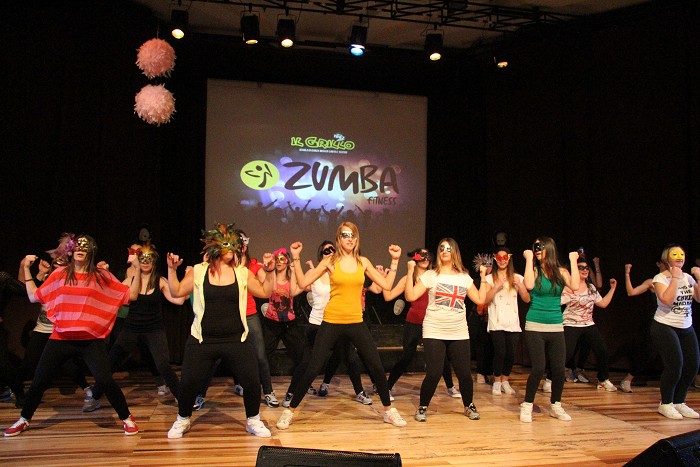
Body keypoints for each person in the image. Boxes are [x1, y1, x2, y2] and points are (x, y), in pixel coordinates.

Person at [4, 235, 142, 437]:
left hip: (90, 340)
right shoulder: (60, 274)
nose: (80, 249)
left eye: (85, 247)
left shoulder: (100, 275)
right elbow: (34, 296)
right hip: (61, 338)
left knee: (104, 380)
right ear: (71, 250)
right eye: (77, 246)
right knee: (39, 380)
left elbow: (131, 295)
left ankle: (127, 417)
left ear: (91, 251)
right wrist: (26, 268)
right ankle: (24, 419)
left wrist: (137, 269)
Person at [276, 222, 407, 429]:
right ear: (339, 238)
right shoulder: (330, 261)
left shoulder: (363, 262)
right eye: (345, 235)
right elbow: (302, 283)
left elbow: (387, 285)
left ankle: (389, 411)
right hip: (332, 320)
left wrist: (395, 260)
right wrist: (296, 258)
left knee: (376, 365)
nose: (349, 239)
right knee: (313, 368)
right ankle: (289, 411)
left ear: (356, 239)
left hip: (355, 321)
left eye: (353, 235)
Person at [165, 223, 275, 439]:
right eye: (227, 244)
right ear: (215, 246)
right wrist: (171, 269)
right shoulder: (199, 271)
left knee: (252, 380)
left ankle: (253, 420)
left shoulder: (242, 272)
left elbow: (264, 292)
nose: (233, 248)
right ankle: (182, 419)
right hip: (202, 339)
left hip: (236, 339)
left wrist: (270, 272)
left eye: (235, 244)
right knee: (188, 382)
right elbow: (176, 291)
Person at [90, 243, 185, 409]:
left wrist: (179, 275)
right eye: (142, 259)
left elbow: (178, 300)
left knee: (163, 364)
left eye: (149, 259)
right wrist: (104, 275)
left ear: (154, 261)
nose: (145, 262)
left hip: (154, 329)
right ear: (137, 261)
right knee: (111, 362)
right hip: (131, 329)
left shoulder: (160, 281)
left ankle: (181, 397)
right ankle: (94, 396)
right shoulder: (129, 281)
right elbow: (111, 296)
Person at [404, 238, 487, 422]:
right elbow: (410, 296)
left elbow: (480, 299)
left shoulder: (464, 277)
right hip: (434, 329)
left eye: (448, 248)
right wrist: (410, 272)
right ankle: (423, 406)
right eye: (441, 248)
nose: (444, 251)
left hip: (458, 330)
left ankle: (469, 405)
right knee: (434, 373)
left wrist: (483, 278)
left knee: (464, 373)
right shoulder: (431, 275)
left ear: (454, 252)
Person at [282, 241, 372, 407]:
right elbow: (295, 290)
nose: (330, 252)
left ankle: (359, 391)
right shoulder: (315, 273)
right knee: (307, 362)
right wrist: (294, 268)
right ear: (321, 255)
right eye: (326, 251)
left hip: (339, 322)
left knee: (350, 357)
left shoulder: (343, 273)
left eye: (333, 249)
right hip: (318, 324)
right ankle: (291, 393)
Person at [17, 235, 92, 409]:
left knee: (68, 364)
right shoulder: (47, 278)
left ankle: (88, 388)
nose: (58, 266)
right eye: (55, 263)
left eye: (62, 263)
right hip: (42, 328)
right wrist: (26, 267)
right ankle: (18, 390)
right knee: (30, 362)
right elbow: (25, 290)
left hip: (59, 330)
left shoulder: (71, 279)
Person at [383, 247, 461, 400]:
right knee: (406, 356)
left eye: (428, 255)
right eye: (422, 255)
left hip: (433, 322)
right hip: (414, 322)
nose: (426, 259)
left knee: (442, 357)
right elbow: (388, 296)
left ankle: (450, 387)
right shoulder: (408, 278)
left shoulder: (435, 276)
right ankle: (387, 387)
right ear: (415, 257)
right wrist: (385, 278)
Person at [519, 237, 580, 423]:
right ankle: (527, 405)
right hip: (535, 325)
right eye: (535, 246)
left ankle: (556, 405)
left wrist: (573, 261)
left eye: (540, 246)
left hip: (555, 325)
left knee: (559, 369)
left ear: (550, 248)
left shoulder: (561, 272)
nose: (537, 249)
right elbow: (529, 285)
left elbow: (575, 286)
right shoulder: (534, 270)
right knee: (538, 367)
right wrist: (529, 259)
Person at [649, 244, 700, 419]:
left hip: (686, 326)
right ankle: (666, 403)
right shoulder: (660, 278)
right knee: (675, 365)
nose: (679, 257)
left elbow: (698, 298)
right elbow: (667, 300)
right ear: (667, 258)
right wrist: (675, 278)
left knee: (692, 365)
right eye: (675, 254)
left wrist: (698, 278)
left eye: (682, 254)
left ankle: (679, 401)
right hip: (664, 325)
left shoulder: (688, 277)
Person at [559, 257, 617, 392]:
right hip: (570, 324)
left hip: (588, 324)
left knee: (602, 350)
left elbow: (602, 304)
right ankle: (551, 379)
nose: (585, 270)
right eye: (581, 268)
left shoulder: (591, 287)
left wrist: (613, 289)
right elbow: (556, 303)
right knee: (566, 354)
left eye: (586, 268)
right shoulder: (568, 287)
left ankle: (603, 380)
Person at [260, 247, 305, 407]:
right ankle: (267, 391)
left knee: (303, 356)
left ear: (287, 261)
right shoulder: (269, 275)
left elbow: (293, 291)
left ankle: (292, 391)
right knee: (263, 357)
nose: (279, 262)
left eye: (282, 259)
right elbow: (271, 289)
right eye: (276, 258)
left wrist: (293, 272)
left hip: (289, 324)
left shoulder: (292, 278)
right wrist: (270, 268)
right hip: (271, 322)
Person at [481, 248, 530, 395]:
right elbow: (485, 299)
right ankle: (497, 381)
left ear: (509, 259)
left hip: (512, 322)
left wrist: (520, 285)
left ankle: (505, 380)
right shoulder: (490, 278)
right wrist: (496, 286)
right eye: (499, 257)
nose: (502, 261)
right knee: (500, 352)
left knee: (510, 354)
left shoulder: (517, 277)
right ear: (495, 259)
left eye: (505, 257)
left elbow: (526, 298)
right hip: (496, 321)